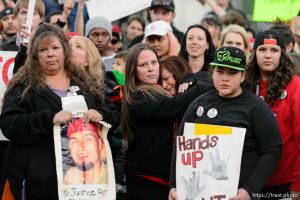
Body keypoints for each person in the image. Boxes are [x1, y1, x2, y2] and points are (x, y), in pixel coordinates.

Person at [0, 23, 117, 199]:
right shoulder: (23, 85)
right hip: (38, 184)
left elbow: (112, 113)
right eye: (43, 50)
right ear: (35, 55)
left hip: (83, 185)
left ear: (65, 50)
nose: (50, 54)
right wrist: (49, 119)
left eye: (55, 47)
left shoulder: (84, 82)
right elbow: (10, 124)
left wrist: (100, 114)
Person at [169, 46, 282, 200]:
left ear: (243, 76)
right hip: (197, 194)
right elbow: (180, 145)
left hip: (237, 195)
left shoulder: (256, 108)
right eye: (220, 71)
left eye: (232, 72)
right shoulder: (198, 104)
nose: (225, 78)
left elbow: (272, 151)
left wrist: (249, 191)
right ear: (212, 73)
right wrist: (174, 186)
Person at [121, 43, 211, 200]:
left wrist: (189, 79)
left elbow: (203, 77)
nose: (151, 68)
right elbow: (173, 106)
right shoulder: (136, 97)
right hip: (145, 180)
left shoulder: (160, 89)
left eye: (154, 62)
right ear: (133, 70)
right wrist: (197, 86)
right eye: (143, 65)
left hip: (164, 178)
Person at [246, 29, 300, 199]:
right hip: (247, 184)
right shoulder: (243, 85)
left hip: (285, 184)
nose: (268, 55)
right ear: (254, 54)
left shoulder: (295, 87)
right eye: (262, 49)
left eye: (274, 50)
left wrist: (297, 185)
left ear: (283, 55)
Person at [64, 118, 108, 185]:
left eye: (88, 139)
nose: (81, 147)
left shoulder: (111, 175)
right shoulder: (70, 177)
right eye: (74, 142)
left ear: (99, 144)